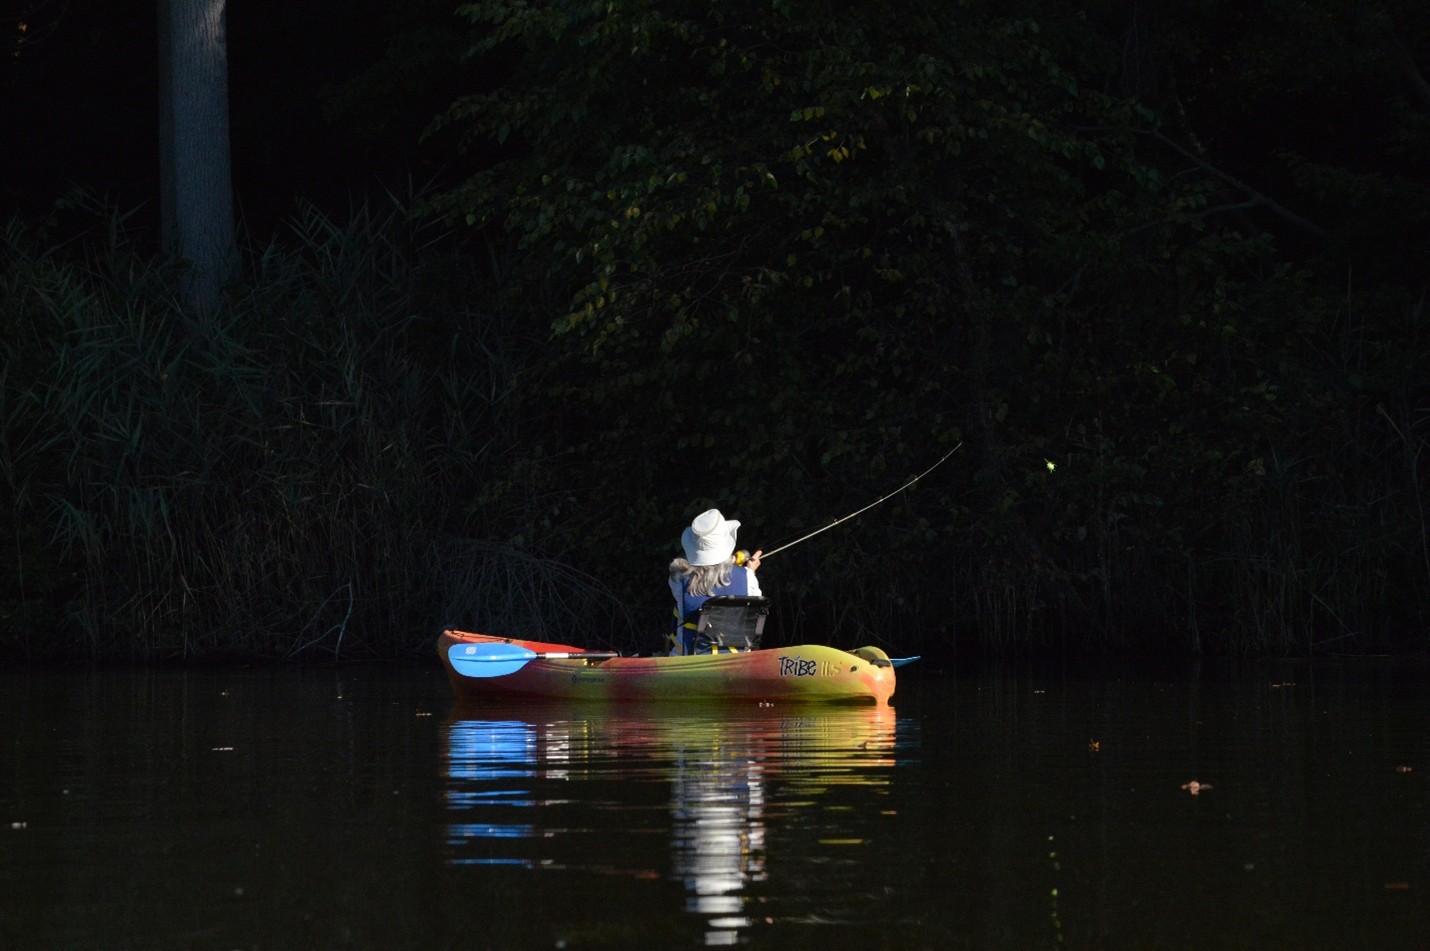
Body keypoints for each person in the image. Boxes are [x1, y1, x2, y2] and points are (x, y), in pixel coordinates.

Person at [668, 508, 763, 655]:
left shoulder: (678, 579)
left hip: (688, 659)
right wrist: (749, 571)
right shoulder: (748, 577)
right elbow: (754, 606)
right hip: (736, 659)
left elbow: (704, 574)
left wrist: (729, 563)